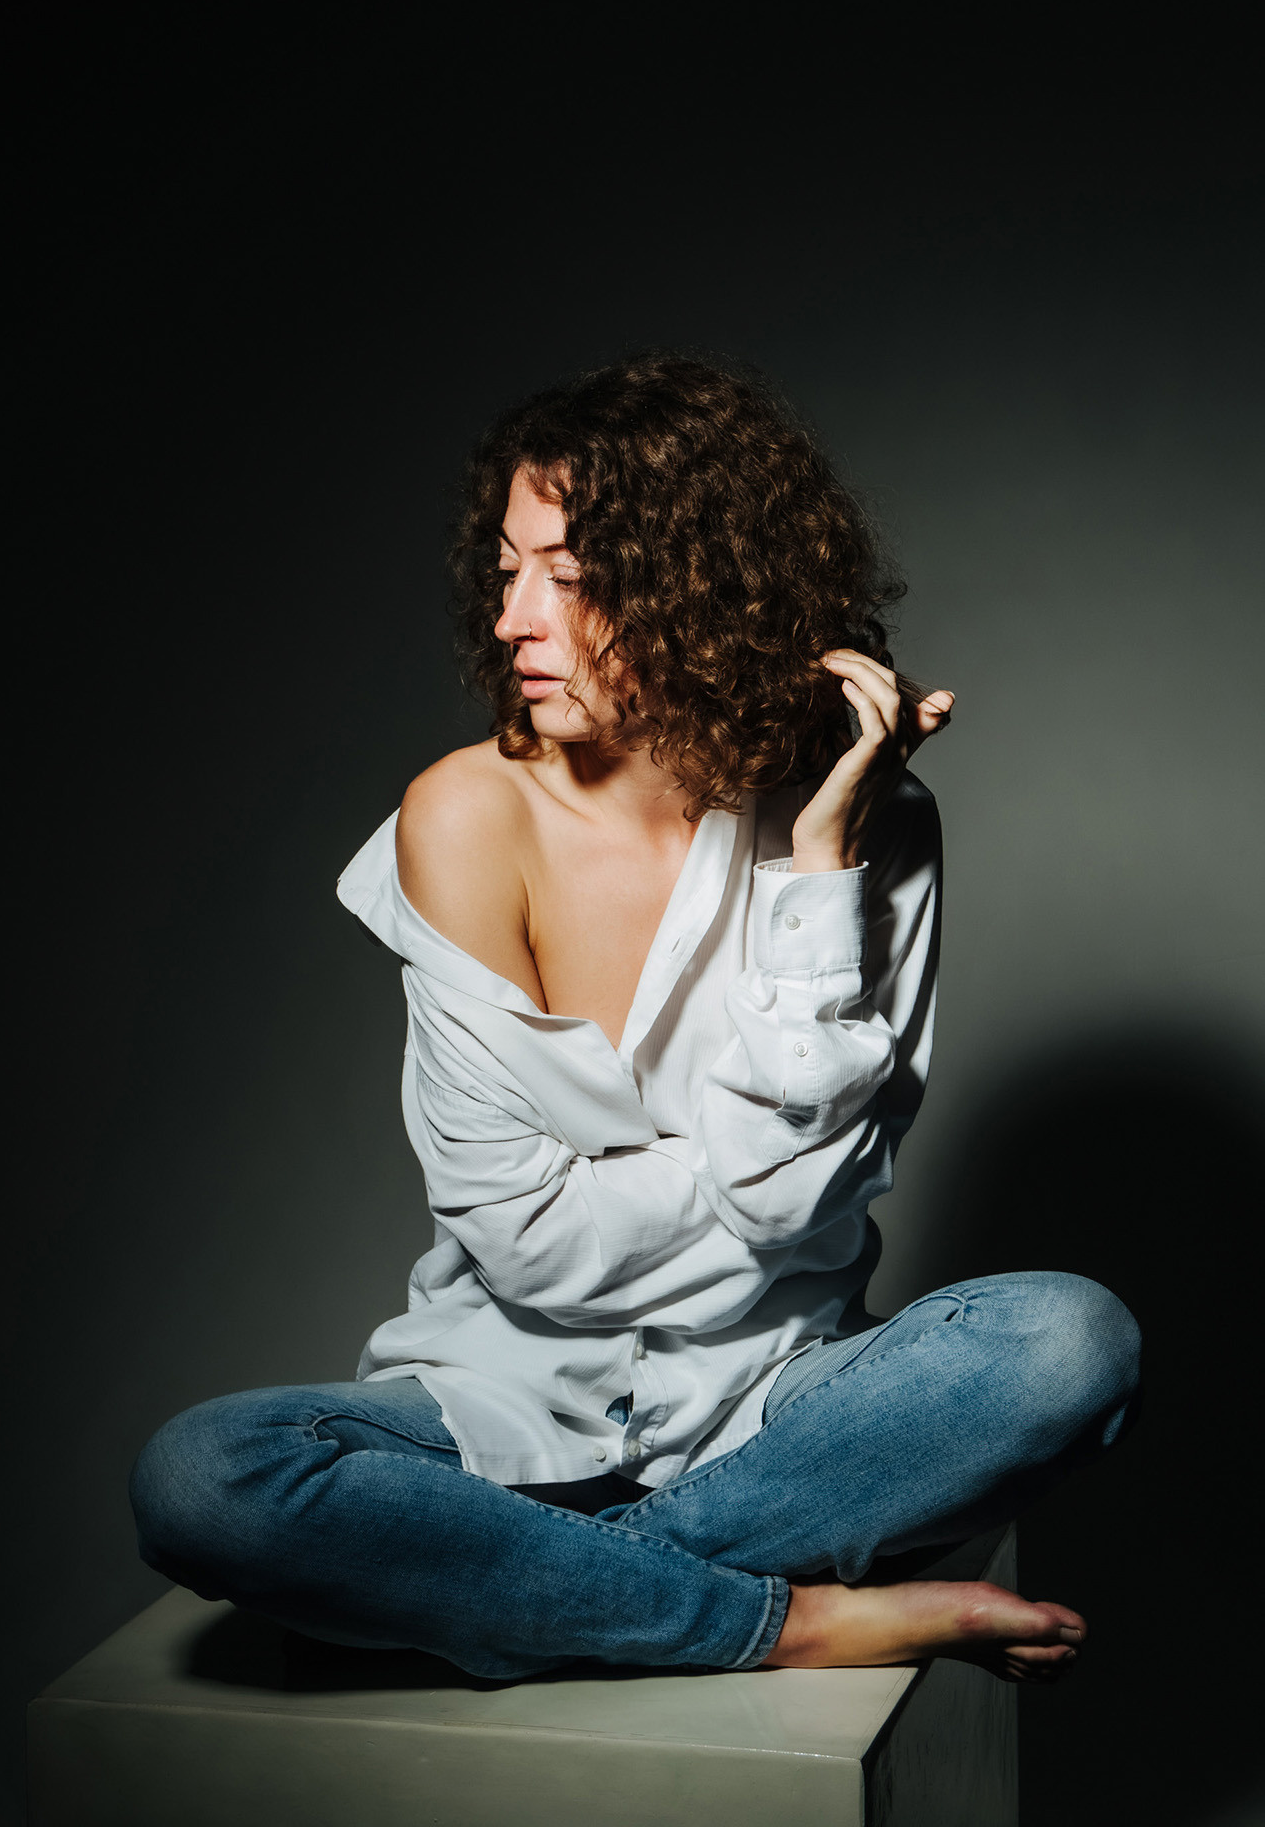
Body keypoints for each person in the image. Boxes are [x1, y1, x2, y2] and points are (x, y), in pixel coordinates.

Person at [130, 353, 1139, 1683]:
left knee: (1070, 1343)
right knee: (206, 1476)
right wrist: (722, 1187)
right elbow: (528, 1246)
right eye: (507, 571)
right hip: (500, 1407)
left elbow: (796, 1211)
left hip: (777, 1416)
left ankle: (521, 1592)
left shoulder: (869, 818)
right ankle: (787, 1621)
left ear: (707, 583)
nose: (514, 620)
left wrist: (818, 867)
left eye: (570, 574)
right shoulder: (468, 817)